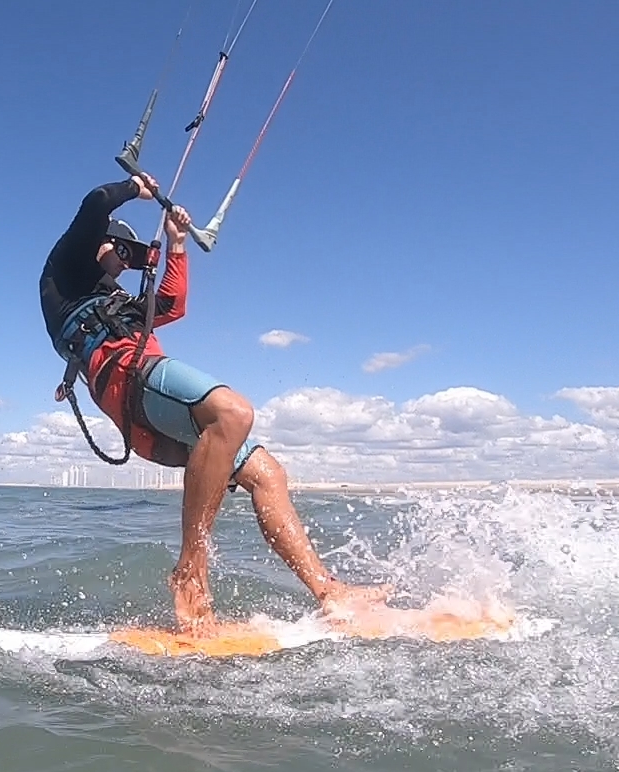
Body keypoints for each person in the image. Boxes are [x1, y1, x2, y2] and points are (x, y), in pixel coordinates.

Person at [39, 174, 388, 633]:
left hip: (151, 411)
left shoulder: (119, 300)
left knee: (268, 474)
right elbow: (95, 203)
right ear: (97, 245)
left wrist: (176, 243)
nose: (123, 264)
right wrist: (135, 187)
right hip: (131, 383)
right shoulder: (64, 275)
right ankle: (189, 574)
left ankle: (329, 592)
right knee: (233, 413)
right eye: (117, 251)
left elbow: (170, 305)